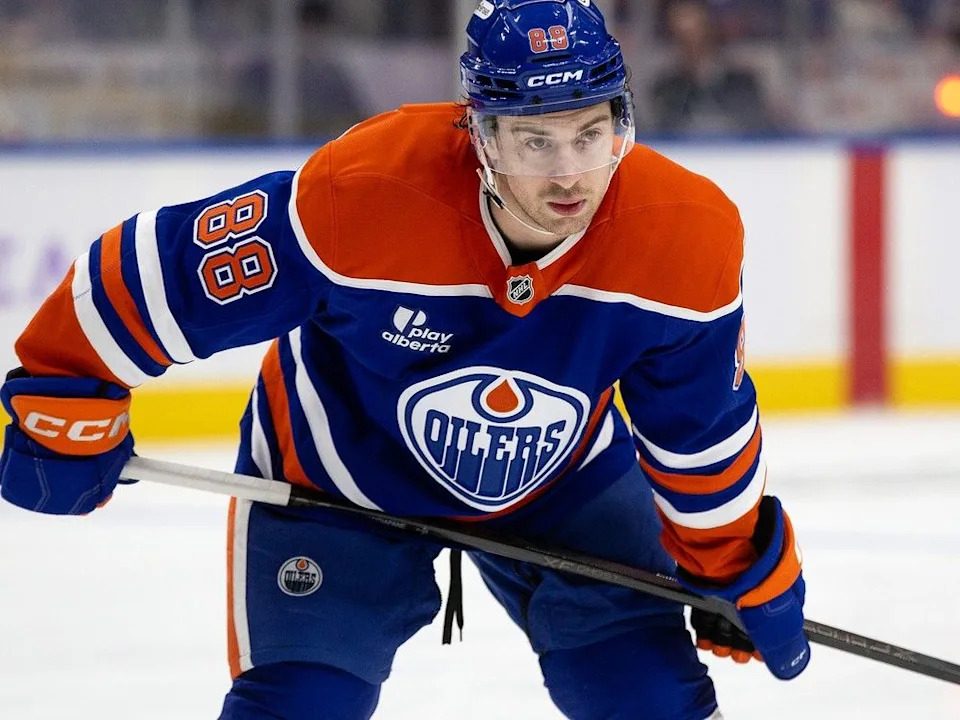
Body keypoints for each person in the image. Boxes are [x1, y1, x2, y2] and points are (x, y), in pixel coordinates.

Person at [0, 1, 809, 718]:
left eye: (592, 134)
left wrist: (728, 562)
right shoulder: (365, 191)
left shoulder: (685, 237)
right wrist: (65, 382)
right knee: (303, 704)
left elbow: (698, 431)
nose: (570, 174)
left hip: (564, 484)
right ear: (482, 134)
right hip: (335, 474)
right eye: (535, 140)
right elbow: (171, 271)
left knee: (648, 699)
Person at [650, 0, 776, 134]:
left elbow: (759, 130)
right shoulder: (666, 91)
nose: (690, 43)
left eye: (695, 33)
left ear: (709, 30)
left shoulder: (742, 84)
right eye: (681, 37)